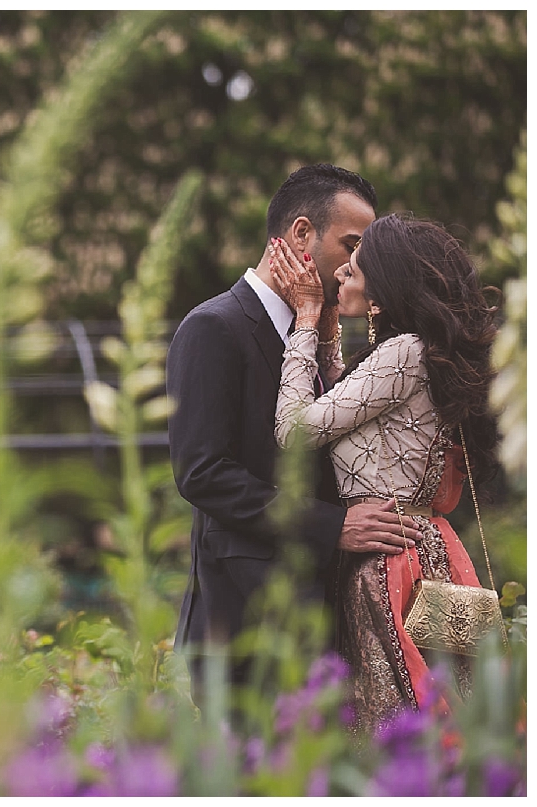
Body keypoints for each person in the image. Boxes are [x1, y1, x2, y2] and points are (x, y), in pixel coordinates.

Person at [166, 164, 423, 712]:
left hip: (320, 614)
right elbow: (202, 473)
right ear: (301, 236)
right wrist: (335, 527)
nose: (358, 266)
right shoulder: (214, 326)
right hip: (244, 621)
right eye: (351, 245)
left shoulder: (320, 335)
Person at [270, 213, 501, 731]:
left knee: (394, 721)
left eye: (353, 269)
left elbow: (294, 431)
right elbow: (355, 410)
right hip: (425, 548)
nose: (340, 276)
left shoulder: (403, 352)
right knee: (437, 711)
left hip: (389, 561)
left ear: (383, 286)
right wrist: (329, 341)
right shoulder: (421, 353)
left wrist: (305, 324)